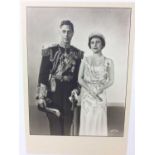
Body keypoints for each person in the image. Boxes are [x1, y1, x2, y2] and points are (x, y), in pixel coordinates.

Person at [36, 20, 84, 135]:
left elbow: (78, 77)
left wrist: (76, 91)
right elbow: (43, 76)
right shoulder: (50, 51)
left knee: (67, 130)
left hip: (69, 96)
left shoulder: (77, 54)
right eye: (63, 31)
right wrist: (41, 97)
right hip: (53, 94)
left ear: (73, 33)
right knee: (55, 130)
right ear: (59, 32)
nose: (66, 35)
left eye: (69, 32)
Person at [78, 33, 114, 136]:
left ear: (102, 44)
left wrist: (100, 89)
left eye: (98, 42)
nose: (95, 45)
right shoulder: (85, 60)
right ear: (89, 45)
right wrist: (90, 91)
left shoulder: (109, 61)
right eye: (92, 42)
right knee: (88, 121)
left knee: (98, 121)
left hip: (100, 95)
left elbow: (111, 80)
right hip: (87, 96)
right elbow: (80, 79)